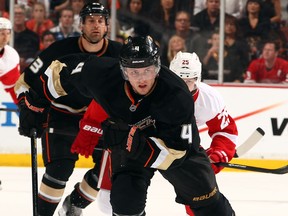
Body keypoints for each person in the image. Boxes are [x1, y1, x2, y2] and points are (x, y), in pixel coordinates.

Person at [39, 35, 236, 216]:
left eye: (190, 80)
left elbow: (184, 149)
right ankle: (75, 203)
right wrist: (34, 103)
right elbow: (65, 73)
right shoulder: (110, 79)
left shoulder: (187, 97)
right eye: (134, 71)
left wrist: (219, 153)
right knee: (118, 202)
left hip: (174, 148)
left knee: (204, 196)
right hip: (131, 145)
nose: (141, 78)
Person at [14, 2, 122, 216]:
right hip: (60, 115)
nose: (96, 25)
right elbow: (24, 82)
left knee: (103, 173)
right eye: (90, 21)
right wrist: (25, 106)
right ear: (80, 25)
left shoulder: (119, 53)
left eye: (100, 21)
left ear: (107, 26)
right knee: (58, 171)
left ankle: (72, 206)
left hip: (100, 119)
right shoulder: (59, 50)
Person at [0, 17, 21, 104]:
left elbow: (13, 86)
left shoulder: (12, 55)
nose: (5, 37)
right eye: (2, 34)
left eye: (8, 33)